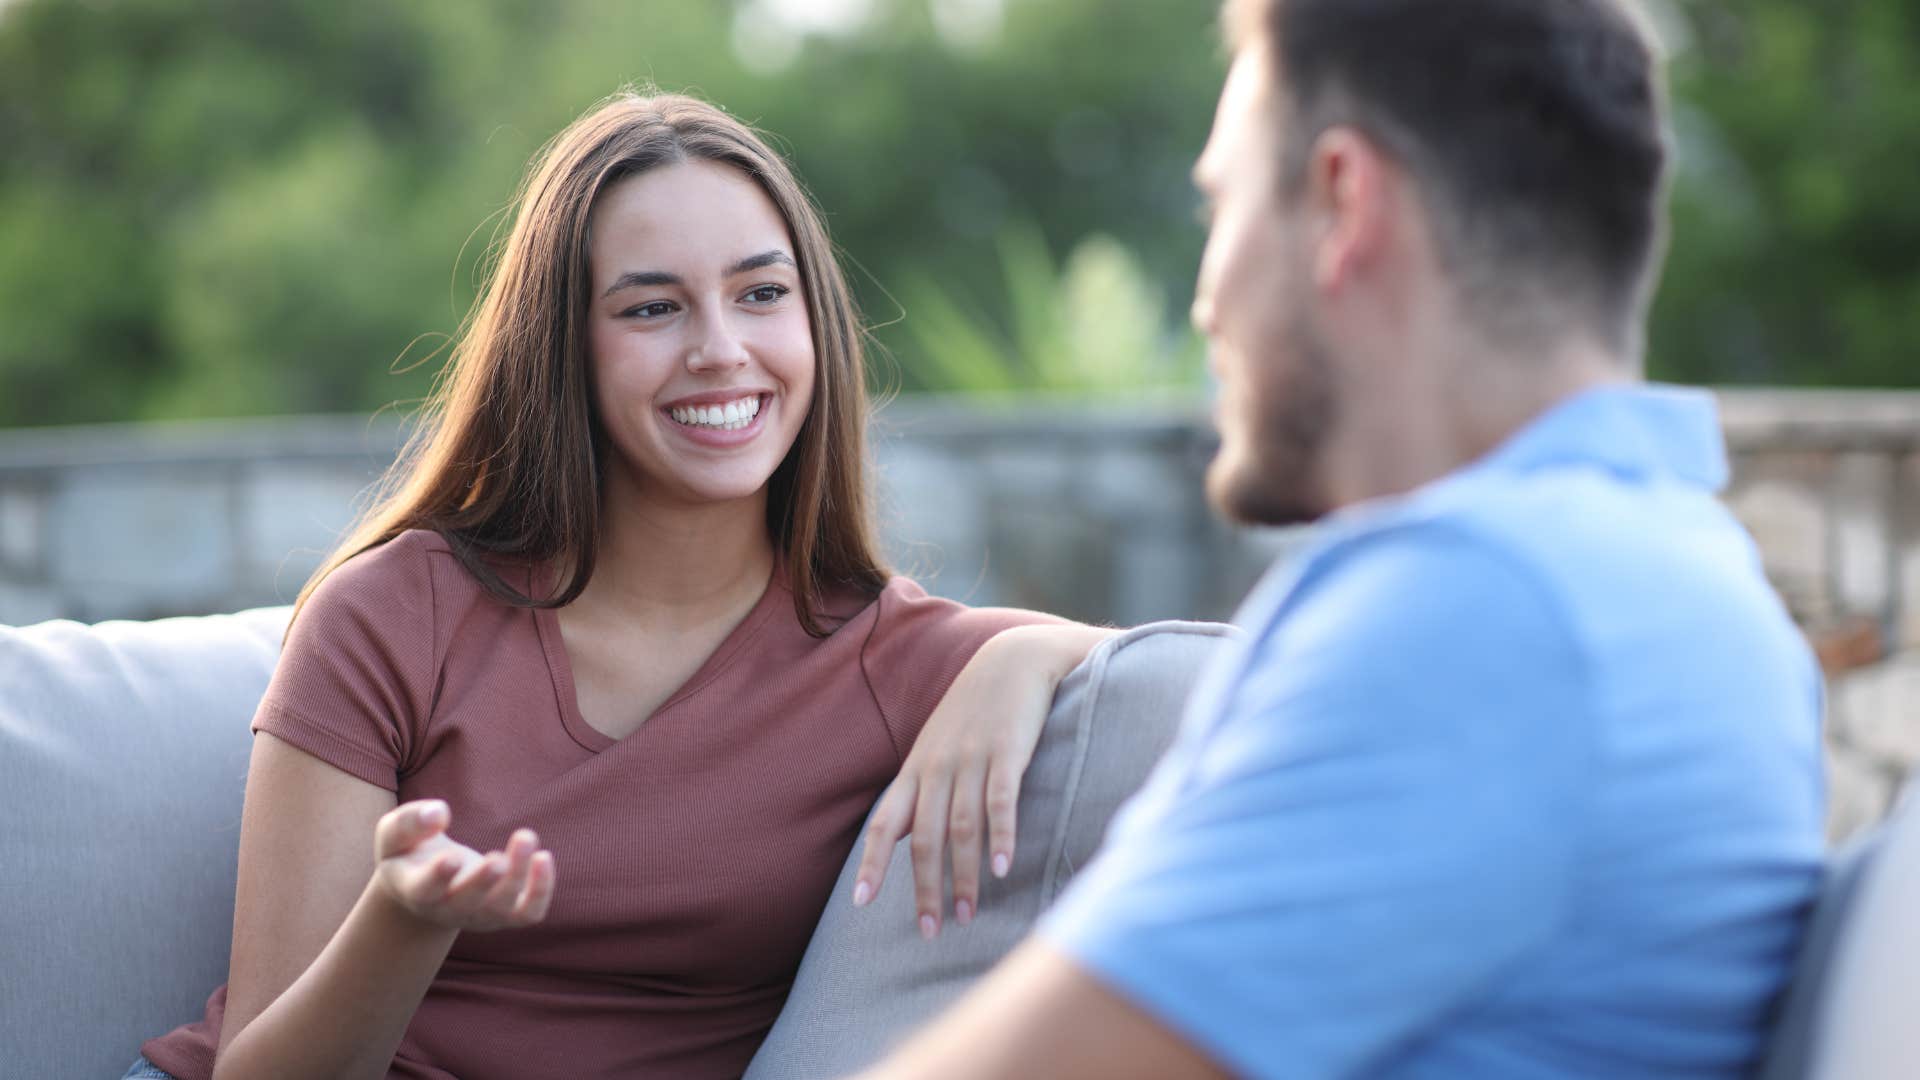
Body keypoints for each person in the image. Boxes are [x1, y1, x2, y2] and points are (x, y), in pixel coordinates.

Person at [857, 0, 1826, 1077]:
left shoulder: (1481, 609)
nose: (1205, 301)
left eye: (1220, 209)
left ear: (1341, 201)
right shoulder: (1675, 568)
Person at [129, 92, 1109, 1080]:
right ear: (564, 350)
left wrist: (1024, 657)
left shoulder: (891, 660)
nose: (721, 347)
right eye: (651, 307)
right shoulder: (396, 614)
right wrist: (404, 919)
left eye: (762, 293)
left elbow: (1209, 674)